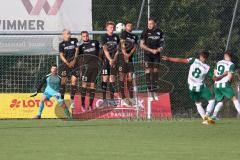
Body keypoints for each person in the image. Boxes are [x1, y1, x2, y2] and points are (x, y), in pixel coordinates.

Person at [162, 51, 227, 124]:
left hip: (191, 87)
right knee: (212, 101)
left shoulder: (193, 60)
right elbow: (215, 79)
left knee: (198, 104)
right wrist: (224, 75)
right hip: (200, 87)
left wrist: (168, 58)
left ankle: (205, 119)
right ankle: (207, 116)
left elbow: (180, 60)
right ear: (207, 58)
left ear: (200, 56)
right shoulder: (207, 68)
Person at [140, 17, 164, 100]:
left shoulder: (159, 32)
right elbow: (141, 45)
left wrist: (159, 49)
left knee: (155, 72)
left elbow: (162, 44)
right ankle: (150, 92)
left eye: (151, 23)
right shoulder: (145, 32)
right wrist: (151, 50)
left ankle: (155, 91)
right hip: (148, 55)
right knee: (148, 71)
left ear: (155, 24)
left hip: (156, 55)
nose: (149, 25)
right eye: (148, 23)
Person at [211, 51, 240, 120]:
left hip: (216, 84)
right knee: (234, 99)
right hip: (224, 84)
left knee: (220, 101)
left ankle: (214, 116)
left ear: (226, 55)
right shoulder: (231, 64)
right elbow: (230, 76)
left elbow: (214, 73)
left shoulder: (219, 62)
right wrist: (230, 82)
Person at [78, 31, 101, 111]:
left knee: (92, 86)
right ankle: (83, 105)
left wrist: (99, 61)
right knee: (84, 85)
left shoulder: (95, 42)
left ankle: (90, 105)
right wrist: (80, 70)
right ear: (81, 37)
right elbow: (80, 59)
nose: (85, 37)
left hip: (95, 67)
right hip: (86, 68)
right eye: (83, 36)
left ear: (88, 36)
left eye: (86, 36)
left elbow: (100, 52)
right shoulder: (81, 47)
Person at [58, 29, 79, 111]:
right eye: (67, 34)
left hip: (74, 63)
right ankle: (62, 99)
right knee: (63, 82)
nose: (69, 35)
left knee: (74, 81)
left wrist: (74, 60)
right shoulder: (61, 44)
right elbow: (61, 55)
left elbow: (77, 50)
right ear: (63, 35)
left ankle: (72, 101)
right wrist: (67, 63)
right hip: (65, 65)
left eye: (69, 33)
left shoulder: (74, 40)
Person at [101, 21, 120, 107]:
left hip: (113, 61)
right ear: (107, 28)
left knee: (112, 79)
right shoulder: (104, 37)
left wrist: (114, 59)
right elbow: (105, 49)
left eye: (113, 27)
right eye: (110, 27)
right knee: (105, 79)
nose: (112, 29)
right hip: (106, 61)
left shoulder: (116, 37)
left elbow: (117, 50)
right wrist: (109, 59)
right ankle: (104, 100)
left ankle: (112, 100)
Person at [118, 21, 138, 105]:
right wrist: (125, 54)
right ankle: (122, 97)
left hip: (129, 58)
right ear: (125, 27)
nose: (130, 26)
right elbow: (122, 43)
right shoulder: (124, 33)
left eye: (131, 25)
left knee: (130, 77)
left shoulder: (135, 36)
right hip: (122, 58)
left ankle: (131, 97)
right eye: (128, 25)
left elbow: (135, 46)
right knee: (122, 77)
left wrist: (129, 54)